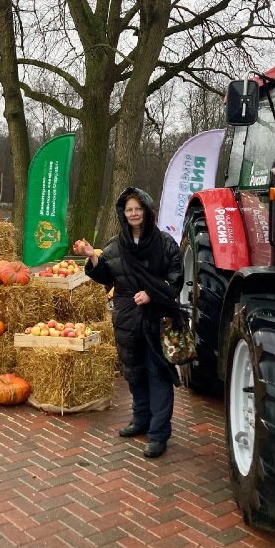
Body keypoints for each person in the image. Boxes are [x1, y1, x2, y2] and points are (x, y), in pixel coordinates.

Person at [78, 187, 183, 458]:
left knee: (158, 374)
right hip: (126, 316)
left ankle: (159, 433)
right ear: (123, 214)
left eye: (138, 208)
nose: (134, 213)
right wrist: (92, 255)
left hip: (156, 317)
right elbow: (104, 275)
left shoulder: (165, 243)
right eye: (129, 210)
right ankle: (140, 420)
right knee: (133, 370)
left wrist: (152, 293)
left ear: (147, 211)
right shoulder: (117, 243)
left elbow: (176, 279)